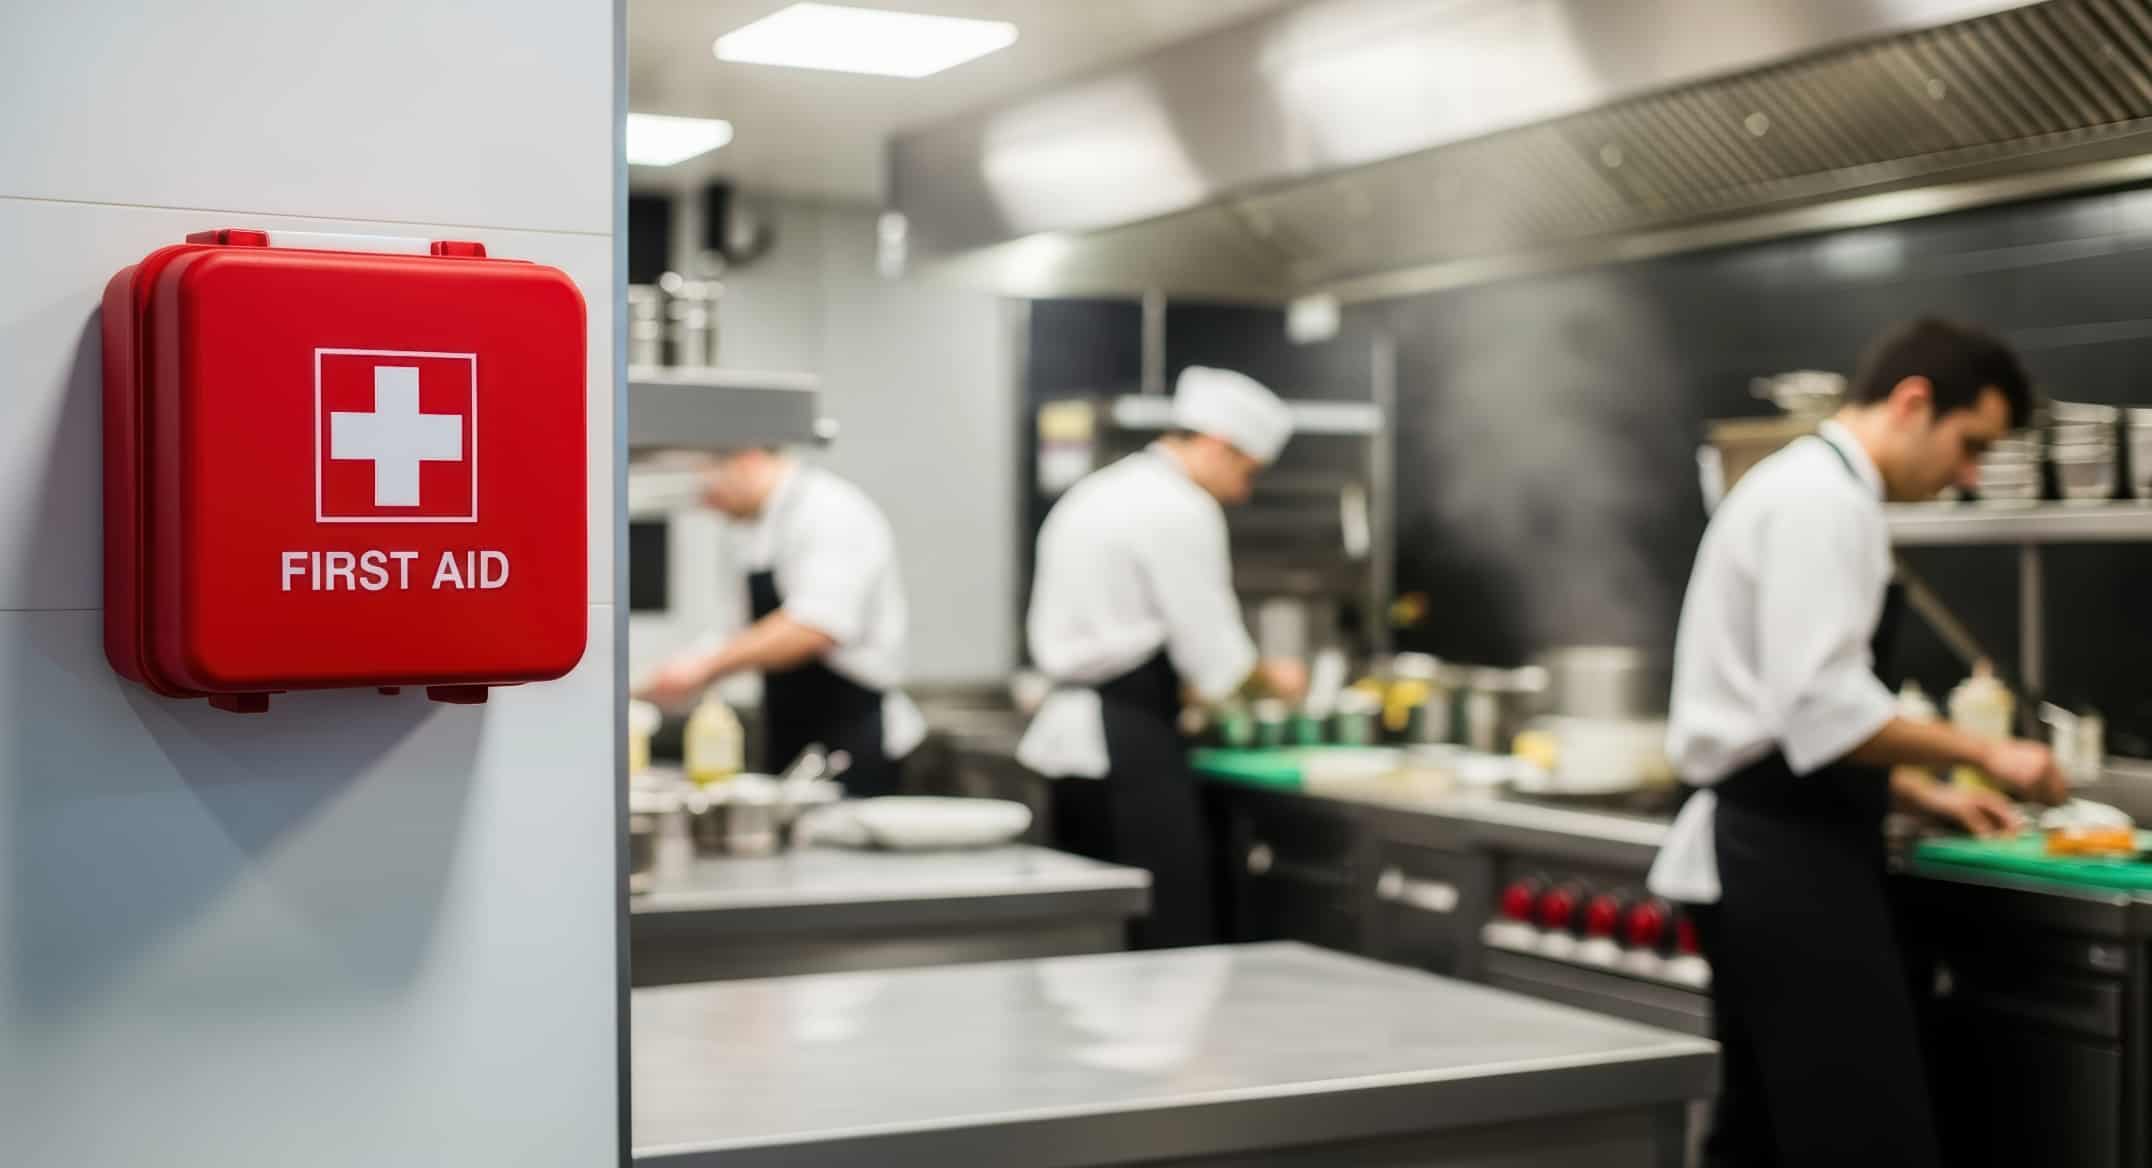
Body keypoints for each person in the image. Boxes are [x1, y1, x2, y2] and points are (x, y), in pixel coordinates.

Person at [1648, 318, 2069, 1168]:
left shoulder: (1813, 489)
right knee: (1859, 1140)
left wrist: (1922, 793)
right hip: (1781, 854)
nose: (1968, 475)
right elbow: (1817, 703)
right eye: (1970, 444)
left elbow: (1794, 716)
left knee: (1769, 1132)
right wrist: (1993, 753)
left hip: (1777, 838)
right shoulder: (1820, 500)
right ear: (1914, 403)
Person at [1019, 366, 1309, 949]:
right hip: (1127, 745)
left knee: (1093, 939)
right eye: (1247, 472)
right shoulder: (1179, 509)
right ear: (1217, 445)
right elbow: (1215, 658)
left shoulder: (1100, 491)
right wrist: (1277, 682)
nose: (1244, 491)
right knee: (1164, 937)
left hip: (1074, 748)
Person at [638, 448, 923, 797]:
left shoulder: (828, 511)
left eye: (708, 483)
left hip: (852, 736)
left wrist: (701, 668)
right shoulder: (755, 530)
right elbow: (742, 632)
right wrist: (675, 669)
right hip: (790, 732)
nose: (707, 501)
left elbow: (814, 628)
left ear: (747, 460)